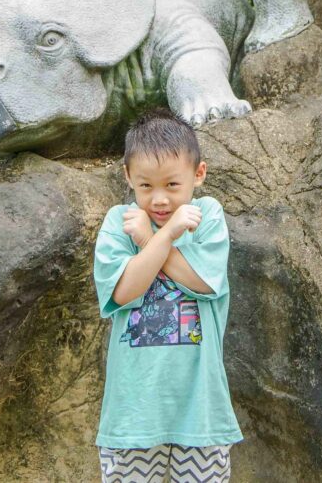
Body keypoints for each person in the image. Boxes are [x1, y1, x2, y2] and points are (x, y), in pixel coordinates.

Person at [93, 108, 243, 482]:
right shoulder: (119, 222)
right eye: (146, 186)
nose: (159, 199)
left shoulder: (207, 216)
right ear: (128, 177)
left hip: (200, 415)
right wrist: (158, 236)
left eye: (172, 185)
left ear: (198, 174)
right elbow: (124, 290)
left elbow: (203, 283)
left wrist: (151, 239)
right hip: (132, 419)